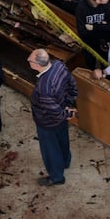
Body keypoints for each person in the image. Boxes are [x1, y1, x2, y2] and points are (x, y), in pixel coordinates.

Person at [28, 48, 78, 186]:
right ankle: (65, 161)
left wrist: (66, 113)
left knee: (50, 149)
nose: (28, 60)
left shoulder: (44, 87)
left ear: (38, 65)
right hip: (62, 112)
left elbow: (53, 111)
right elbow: (72, 84)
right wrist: (69, 103)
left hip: (47, 122)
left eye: (30, 60)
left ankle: (56, 176)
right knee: (63, 139)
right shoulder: (59, 65)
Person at [75, 0, 110, 69]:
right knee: (90, 64)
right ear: (98, 0)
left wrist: (94, 27)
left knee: (105, 65)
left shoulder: (107, 5)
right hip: (89, 43)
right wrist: (102, 25)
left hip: (104, 42)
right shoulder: (81, 8)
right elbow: (82, 31)